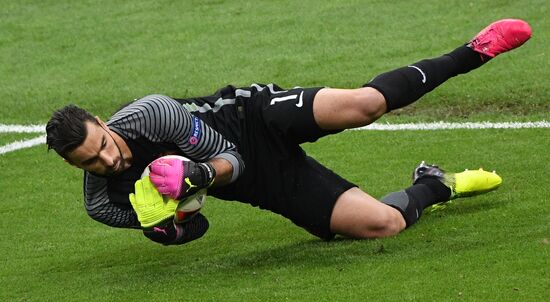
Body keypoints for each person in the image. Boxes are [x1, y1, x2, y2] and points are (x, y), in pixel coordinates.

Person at [46, 19, 531, 246]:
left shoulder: (151, 115)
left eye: (104, 145)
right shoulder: (105, 203)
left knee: (366, 104)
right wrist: (170, 227)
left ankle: (474, 50)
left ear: (105, 125)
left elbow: (228, 156)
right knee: (384, 225)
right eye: (91, 161)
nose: (107, 160)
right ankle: (436, 183)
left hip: (251, 118)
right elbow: (198, 225)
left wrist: (194, 173)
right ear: (74, 167)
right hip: (259, 179)